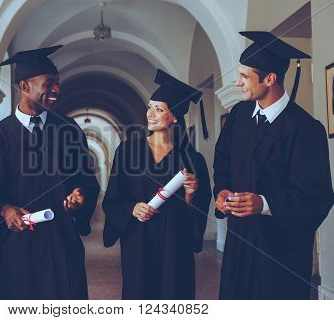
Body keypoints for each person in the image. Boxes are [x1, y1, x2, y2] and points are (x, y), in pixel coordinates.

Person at [214, 31, 334, 299]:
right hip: (239, 244)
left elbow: (317, 197)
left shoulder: (305, 129)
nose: (238, 82)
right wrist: (221, 191)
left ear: (270, 79)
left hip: (279, 254)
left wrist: (265, 204)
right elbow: (222, 161)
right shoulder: (239, 116)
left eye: (245, 76)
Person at [0, 45, 100, 299]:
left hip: (63, 239)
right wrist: (4, 210)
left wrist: (80, 195)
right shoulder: (0, 136)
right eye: (49, 83)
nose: (56, 89)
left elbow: (87, 180)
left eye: (57, 83)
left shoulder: (68, 129)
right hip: (19, 244)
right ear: (25, 86)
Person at [102, 69, 211, 299]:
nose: (150, 113)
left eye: (159, 109)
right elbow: (112, 198)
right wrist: (131, 208)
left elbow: (199, 212)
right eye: (150, 106)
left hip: (175, 245)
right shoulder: (128, 151)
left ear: (175, 117)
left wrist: (191, 196)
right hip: (137, 243)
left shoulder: (192, 159)